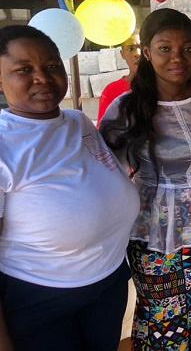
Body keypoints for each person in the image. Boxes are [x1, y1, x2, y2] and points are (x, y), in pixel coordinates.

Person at [100, 8, 191, 350]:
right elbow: (106, 169)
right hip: (150, 227)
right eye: (165, 48)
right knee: (163, 312)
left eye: (187, 48)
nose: (178, 57)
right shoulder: (126, 108)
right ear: (146, 52)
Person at [0, 25, 139, 350]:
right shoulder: (5, 142)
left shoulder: (77, 121)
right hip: (41, 296)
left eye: (51, 66)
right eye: (24, 69)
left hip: (107, 282)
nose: (42, 78)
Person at [97, 31, 141, 122]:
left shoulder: (162, 85)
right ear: (122, 54)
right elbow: (103, 129)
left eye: (140, 47)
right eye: (130, 49)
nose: (137, 53)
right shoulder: (111, 90)